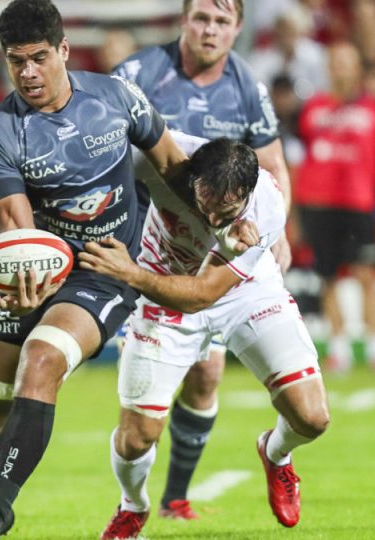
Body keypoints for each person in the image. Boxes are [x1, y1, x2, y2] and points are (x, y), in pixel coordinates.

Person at [0, 1, 187, 538]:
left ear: (64, 51)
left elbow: (174, 166)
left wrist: (215, 226)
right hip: (42, 267)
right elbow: (17, 229)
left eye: (39, 58)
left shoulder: (118, 98)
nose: (28, 72)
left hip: (105, 269)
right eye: (16, 61)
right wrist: (24, 278)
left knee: (43, 357)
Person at [81, 136, 329, 538]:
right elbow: (89, 177)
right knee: (136, 439)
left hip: (242, 290)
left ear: (247, 193)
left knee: (312, 417)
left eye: (226, 212)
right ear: (189, 176)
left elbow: (201, 295)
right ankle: (133, 505)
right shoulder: (163, 159)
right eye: (204, 205)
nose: (213, 220)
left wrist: (129, 273)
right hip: (163, 285)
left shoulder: (267, 207)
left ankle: (275, 452)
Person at [112, 0, 293, 519]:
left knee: (207, 376)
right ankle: (136, 494)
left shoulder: (247, 85)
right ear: (183, 22)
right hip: (148, 237)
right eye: (201, 18)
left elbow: (272, 160)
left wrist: (277, 234)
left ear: (237, 28)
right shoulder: (138, 74)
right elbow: (103, 144)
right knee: (149, 394)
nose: (210, 29)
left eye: (221, 21)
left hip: (218, 242)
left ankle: (173, 497)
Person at [295, 41, 375, 373]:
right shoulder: (312, 108)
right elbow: (298, 161)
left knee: (367, 275)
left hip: (360, 204)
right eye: (337, 62)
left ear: (358, 68)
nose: (342, 68)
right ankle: (339, 348)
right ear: (329, 67)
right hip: (317, 202)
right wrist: (294, 212)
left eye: (348, 62)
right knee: (327, 277)